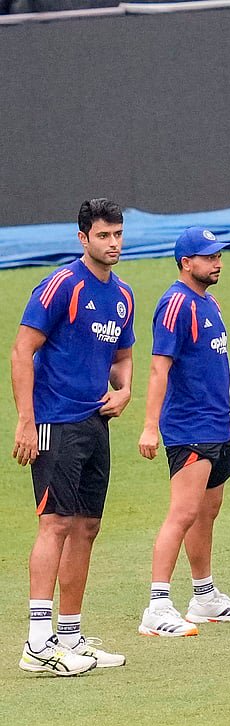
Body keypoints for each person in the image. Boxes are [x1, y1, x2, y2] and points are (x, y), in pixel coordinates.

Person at [13, 198, 134, 676]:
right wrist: (26, 420)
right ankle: (37, 643)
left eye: (118, 235)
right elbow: (23, 350)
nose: (113, 244)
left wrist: (125, 391)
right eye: (103, 236)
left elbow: (122, 356)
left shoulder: (122, 294)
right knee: (55, 524)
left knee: (86, 526)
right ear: (82, 239)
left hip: (94, 423)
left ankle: (69, 635)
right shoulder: (61, 285)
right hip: (54, 422)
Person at [137, 227, 230, 637]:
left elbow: (212, 368)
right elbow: (159, 368)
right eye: (208, 257)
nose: (217, 262)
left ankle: (204, 598)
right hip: (188, 429)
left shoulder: (210, 302)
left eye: (219, 255)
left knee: (207, 512)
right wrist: (150, 427)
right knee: (184, 513)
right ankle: (156, 606)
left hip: (215, 427)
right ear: (186, 263)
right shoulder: (175, 304)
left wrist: (227, 422)